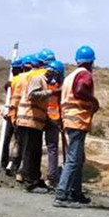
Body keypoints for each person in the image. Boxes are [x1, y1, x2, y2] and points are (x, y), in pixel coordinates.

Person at [53, 54, 99, 208]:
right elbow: (80, 90)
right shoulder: (84, 74)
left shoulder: (70, 76)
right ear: (91, 61)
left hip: (69, 118)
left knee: (78, 157)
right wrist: (93, 101)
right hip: (78, 119)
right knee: (73, 158)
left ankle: (76, 192)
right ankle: (62, 193)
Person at [16, 57, 55, 193]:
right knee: (30, 152)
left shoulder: (43, 81)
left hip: (35, 122)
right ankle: (30, 182)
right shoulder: (38, 79)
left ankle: (35, 179)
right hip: (29, 121)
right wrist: (50, 93)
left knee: (35, 152)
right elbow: (32, 95)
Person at [38, 49, 62, 187]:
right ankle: (51, 177)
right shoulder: (59, 83)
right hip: (54, 117)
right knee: (52, 148)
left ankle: (32, 172)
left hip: (42, 115)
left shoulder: (43, 79)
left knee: (36, 145)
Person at [0, 58, 24, 173]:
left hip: (20, 115)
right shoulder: (14, 80)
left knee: (18, 141)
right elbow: (9, 93)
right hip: (11, 114)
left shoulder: (22, 79)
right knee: (7, 139)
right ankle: (4, 162)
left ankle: (14, 164)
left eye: (15, 68)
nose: (14, 71)